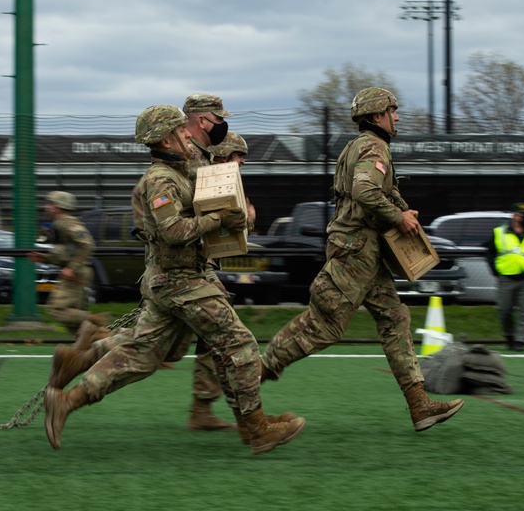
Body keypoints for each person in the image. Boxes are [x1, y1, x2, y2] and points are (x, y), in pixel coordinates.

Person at [42, 104, 304, 454]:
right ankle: (256, 429)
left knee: (142, 356)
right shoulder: (160, 180)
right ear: (166, 139)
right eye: (181, 132)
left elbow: (211, 199)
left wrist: (231, 212)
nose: (187, 135)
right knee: (238, 344)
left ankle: (66, 401)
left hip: (181, 278)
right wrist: (216, 219)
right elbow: (174, 231)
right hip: (179, 281)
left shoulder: (182, 170)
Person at [259, 87, 463, 432]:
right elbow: (365, 191)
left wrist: (398, 210)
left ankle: (420, 405)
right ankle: (251, 375)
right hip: (357, 253)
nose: (397, 117)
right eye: (392, 111)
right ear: (376, 115)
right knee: (323, 325)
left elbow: (367, 194)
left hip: (364, 252)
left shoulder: (357, 146)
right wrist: (399, 218)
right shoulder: (374, 146)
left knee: (395, 318)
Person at [27, 191, 102, 335]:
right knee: (74, 325)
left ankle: (94, 319)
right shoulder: (60, 224)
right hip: (76, 271)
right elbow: (69, 250)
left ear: (58, 207)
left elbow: (87, 244)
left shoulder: (68, 223)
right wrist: (46, 258)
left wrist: (72, 268)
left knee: (57, 310)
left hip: (76, 273)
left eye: (50, 204)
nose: (46, 207)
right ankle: (91, 347)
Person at [485, 201, 524, 351]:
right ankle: (509, 336)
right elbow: (489, 252)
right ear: (512, 215)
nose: (520, 217)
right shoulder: (500, 233)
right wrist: (495, 272)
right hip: (507, 277)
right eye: (518, 214)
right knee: (504, 310)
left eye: (523, 215)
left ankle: (521, 340)